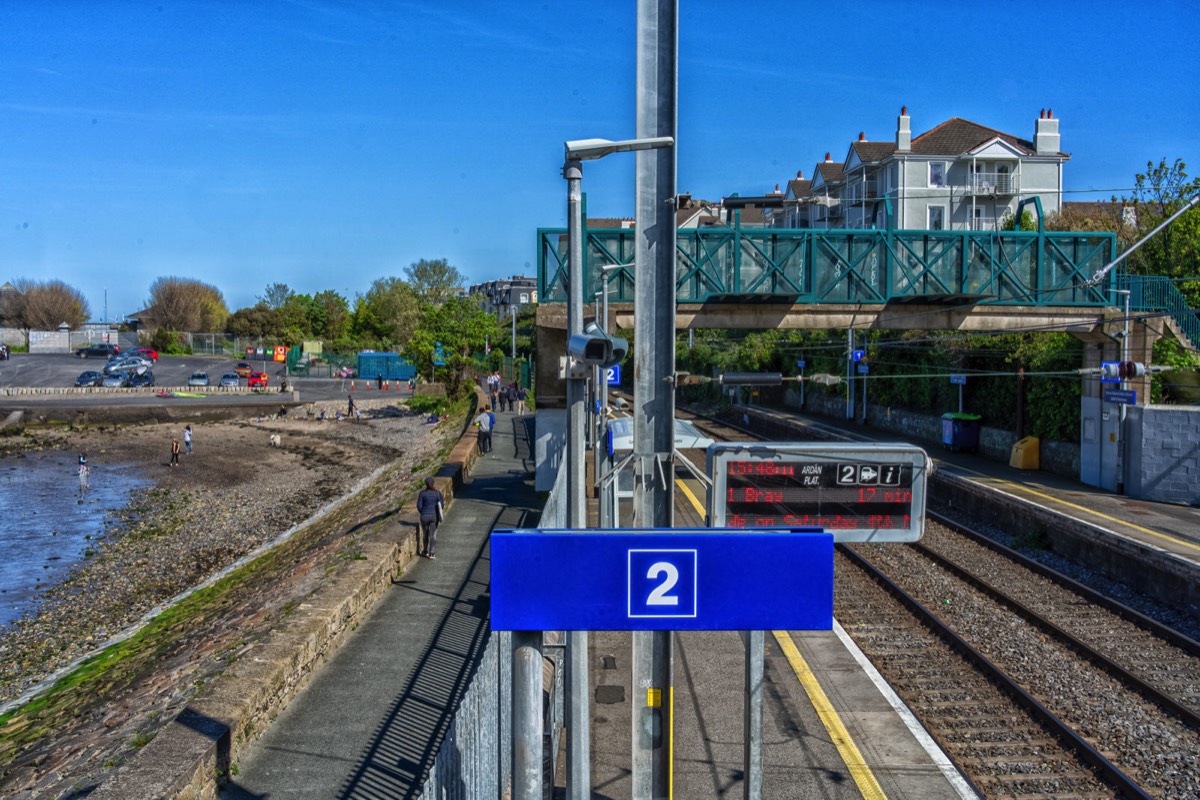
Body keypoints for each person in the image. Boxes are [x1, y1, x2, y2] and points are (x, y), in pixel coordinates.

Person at [415, 477, 444, 558]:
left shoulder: (422, 493)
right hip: (434, 516)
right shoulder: (437, 493)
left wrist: (423, 511)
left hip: (424, 516)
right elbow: (441, 505)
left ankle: (425, 551)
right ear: (433, 483)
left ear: (426, 484)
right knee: (433, 534)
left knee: (425, 533)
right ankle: (432, 552)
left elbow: (419, 505)